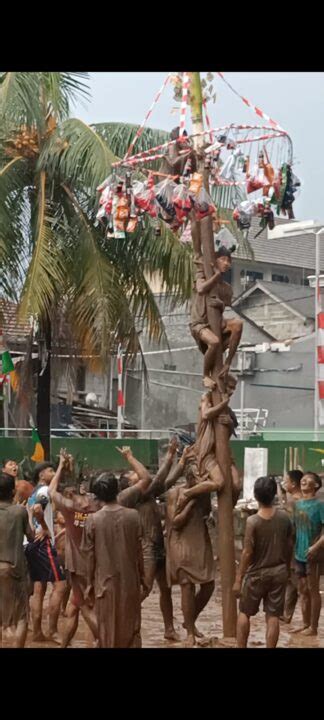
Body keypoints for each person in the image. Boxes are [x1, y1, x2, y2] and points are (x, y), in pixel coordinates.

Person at [117, 439, 183, 642]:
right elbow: (156, 481)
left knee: (166, 589)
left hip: (157, 545)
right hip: (145, 548)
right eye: (133, 474)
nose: (138, 474)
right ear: (130, 484)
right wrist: (171, 457)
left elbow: (166, 481)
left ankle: (169, 629)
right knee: (143, 590)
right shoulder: (130, 497)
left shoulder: (147, 494)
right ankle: (123, 624)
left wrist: (178, 461)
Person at [81, 473, 145, 648]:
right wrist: (143, 577)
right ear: (118, 490)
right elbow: (139, 551)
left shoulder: (93, 520)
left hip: (104, 584)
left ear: (97, 495)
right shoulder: (134, 516)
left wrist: (88, 584)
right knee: (132, 628)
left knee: (106, 631)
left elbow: (89, 556)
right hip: (130, 582)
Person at [233, 476, 293, 648]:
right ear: (274, 494)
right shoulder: (284, 518)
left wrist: (238, 579)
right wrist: (287, 568)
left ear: (255, 495)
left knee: (244, 612)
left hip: (256, 574)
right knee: (273, 616)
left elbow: (247, 553)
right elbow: (289, 545)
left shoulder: (253, 522)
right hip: (279, 572)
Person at [165, 454, 215, 646]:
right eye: (198, 475)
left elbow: (206, 513)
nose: (203, 479)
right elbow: (175, 522)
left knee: (208, 585)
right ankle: (190, 633)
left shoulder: (205, 493)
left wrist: (209, 518)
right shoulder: (175, 494)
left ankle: (189, 622)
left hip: (199, 540)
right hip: (181, 543)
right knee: (187, 585)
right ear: (189, 477)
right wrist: (191, 501)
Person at [48, 463, 99, 648]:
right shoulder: (97, 507)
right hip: (98, 564)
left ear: (70, 494)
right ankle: (65, 645)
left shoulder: (69, 508)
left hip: (77, 566)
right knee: (74, 607)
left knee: (83, 606)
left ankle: (102, 639)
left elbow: (52, 490)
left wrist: (61, 466)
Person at [0, 472, 47, 648]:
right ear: (12, 492)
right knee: (20, 618)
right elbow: (31, 537)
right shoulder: (19, 511)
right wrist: (32, 516)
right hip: (14, 569)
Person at [25, 459, 66, 642]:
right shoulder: (43, 492)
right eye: (49, 470)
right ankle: (52, 631)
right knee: (60, 586)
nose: (52, 473)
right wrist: (45, 527)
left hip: (30, 542)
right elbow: (38, 509)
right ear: (41, 474)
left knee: (39, 588)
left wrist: (60, 466)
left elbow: (30, 509)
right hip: (43, 543)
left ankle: (37, 632)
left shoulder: (34, 492)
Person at [190, 248, 243, 387]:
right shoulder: (203, 274)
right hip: (199, 323)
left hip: (217, 323)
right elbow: (201, 289)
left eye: (228, 261)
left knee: (237, 324)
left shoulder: (226, 288)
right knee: (214, 342)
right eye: (223, 259)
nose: (226, 263)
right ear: (215, 260)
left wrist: (220, 305)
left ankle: (227, 364)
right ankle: (205, 376)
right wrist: (216, 276)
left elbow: (224, 306)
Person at [291, 471, 324, 636]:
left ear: (316, 485)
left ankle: (313, 627)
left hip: (313, 555)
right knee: (302, 589)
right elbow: (293, 529)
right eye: (303, 478)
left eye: (309, 478)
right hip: (299, 554)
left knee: (313, 589)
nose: (304, 479)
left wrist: (315, 548)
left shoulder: (320, 505)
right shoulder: (297, 505)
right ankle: (305, 624)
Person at [280, 470, 303, 624]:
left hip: (296, 546)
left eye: (285, 481)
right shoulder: (296, 499)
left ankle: (307, 620)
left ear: (293, 484)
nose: (283, 483)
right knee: (291, 582)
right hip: (295, 546)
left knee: (298, 582)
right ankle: (287, 615)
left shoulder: (295, 501)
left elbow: (289, 526)